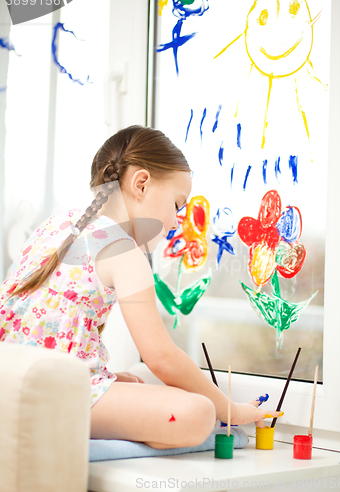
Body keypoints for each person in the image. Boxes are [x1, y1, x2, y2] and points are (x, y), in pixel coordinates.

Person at [0, 125, 280, 449]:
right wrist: (230, 409)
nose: (177, 222)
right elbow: (161, 356)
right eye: (177, 205)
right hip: (48, 394)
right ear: (141, 184)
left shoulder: (57, 225)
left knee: (139, 375)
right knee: (199, 413)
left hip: (13, 379)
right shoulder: (123, 249)